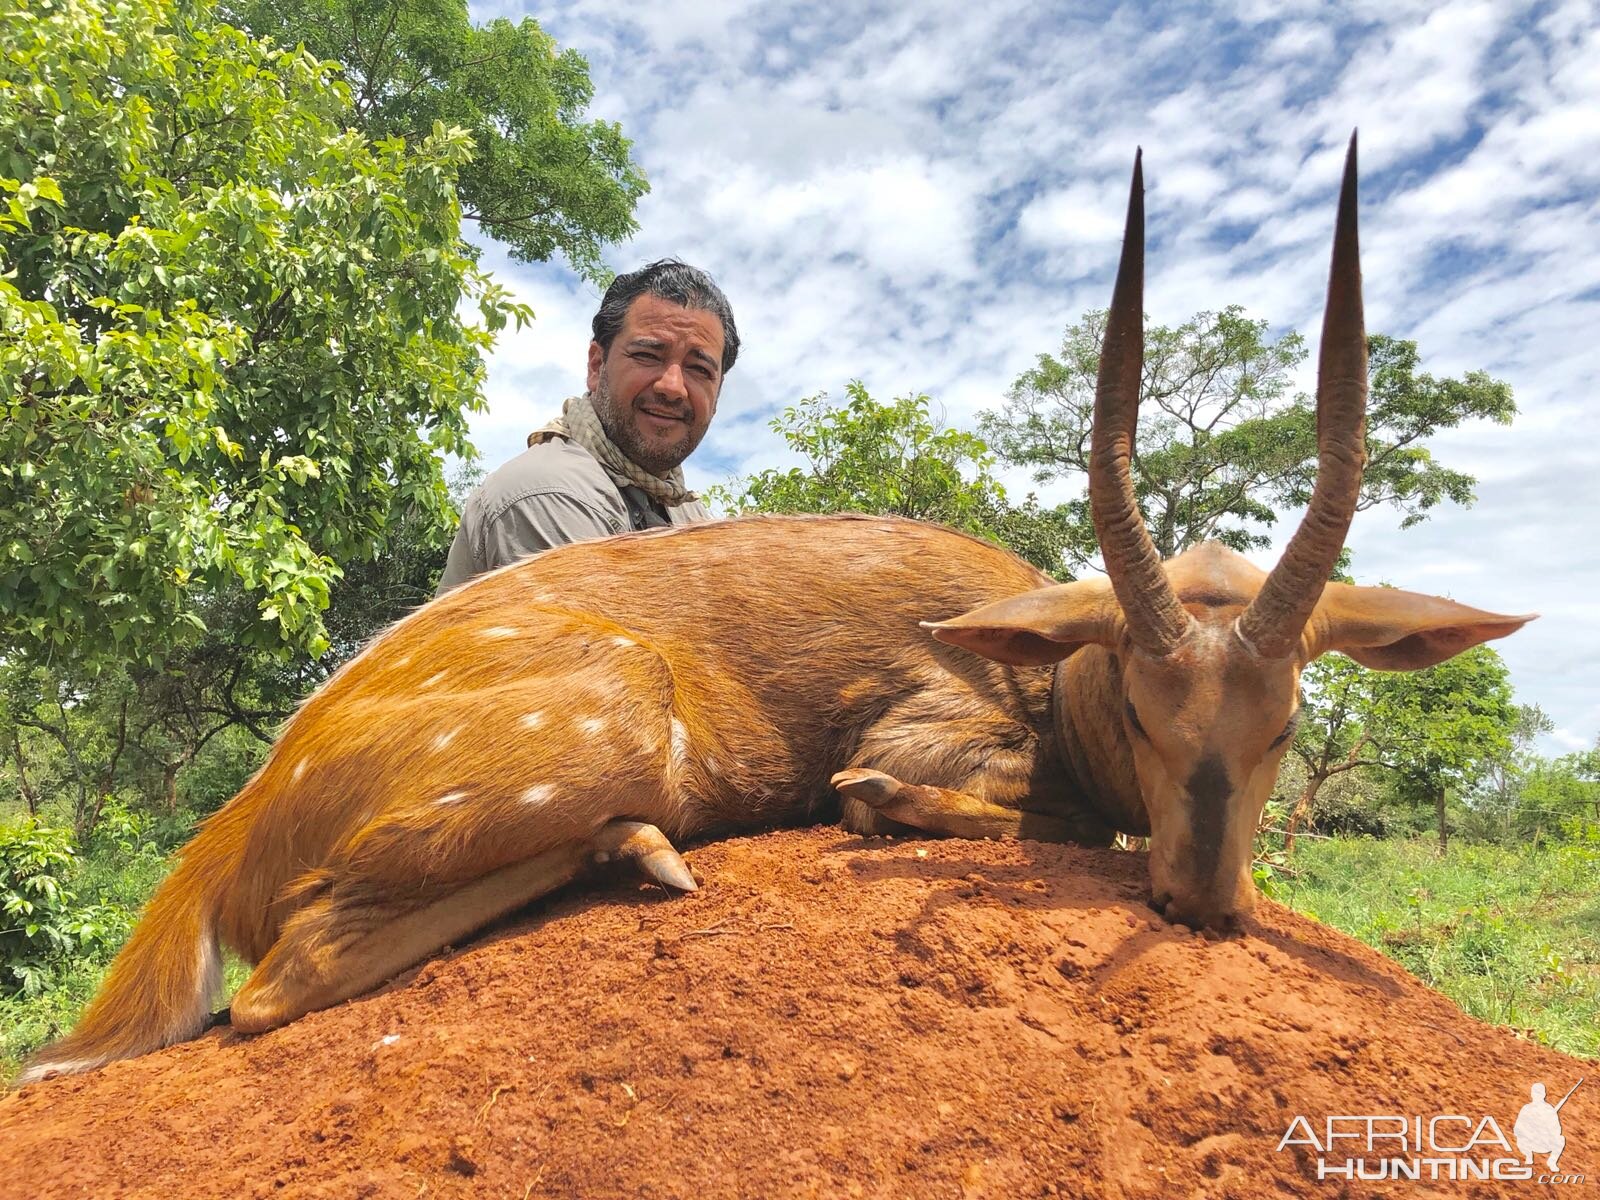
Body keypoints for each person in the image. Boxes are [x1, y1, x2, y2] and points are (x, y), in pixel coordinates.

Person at [436, 259, 739, 593]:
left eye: (699, 369)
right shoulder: (548, 492)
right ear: (597, 365)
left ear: (718, 393)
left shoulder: (686, 511)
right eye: (648, 356)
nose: (672, 386)